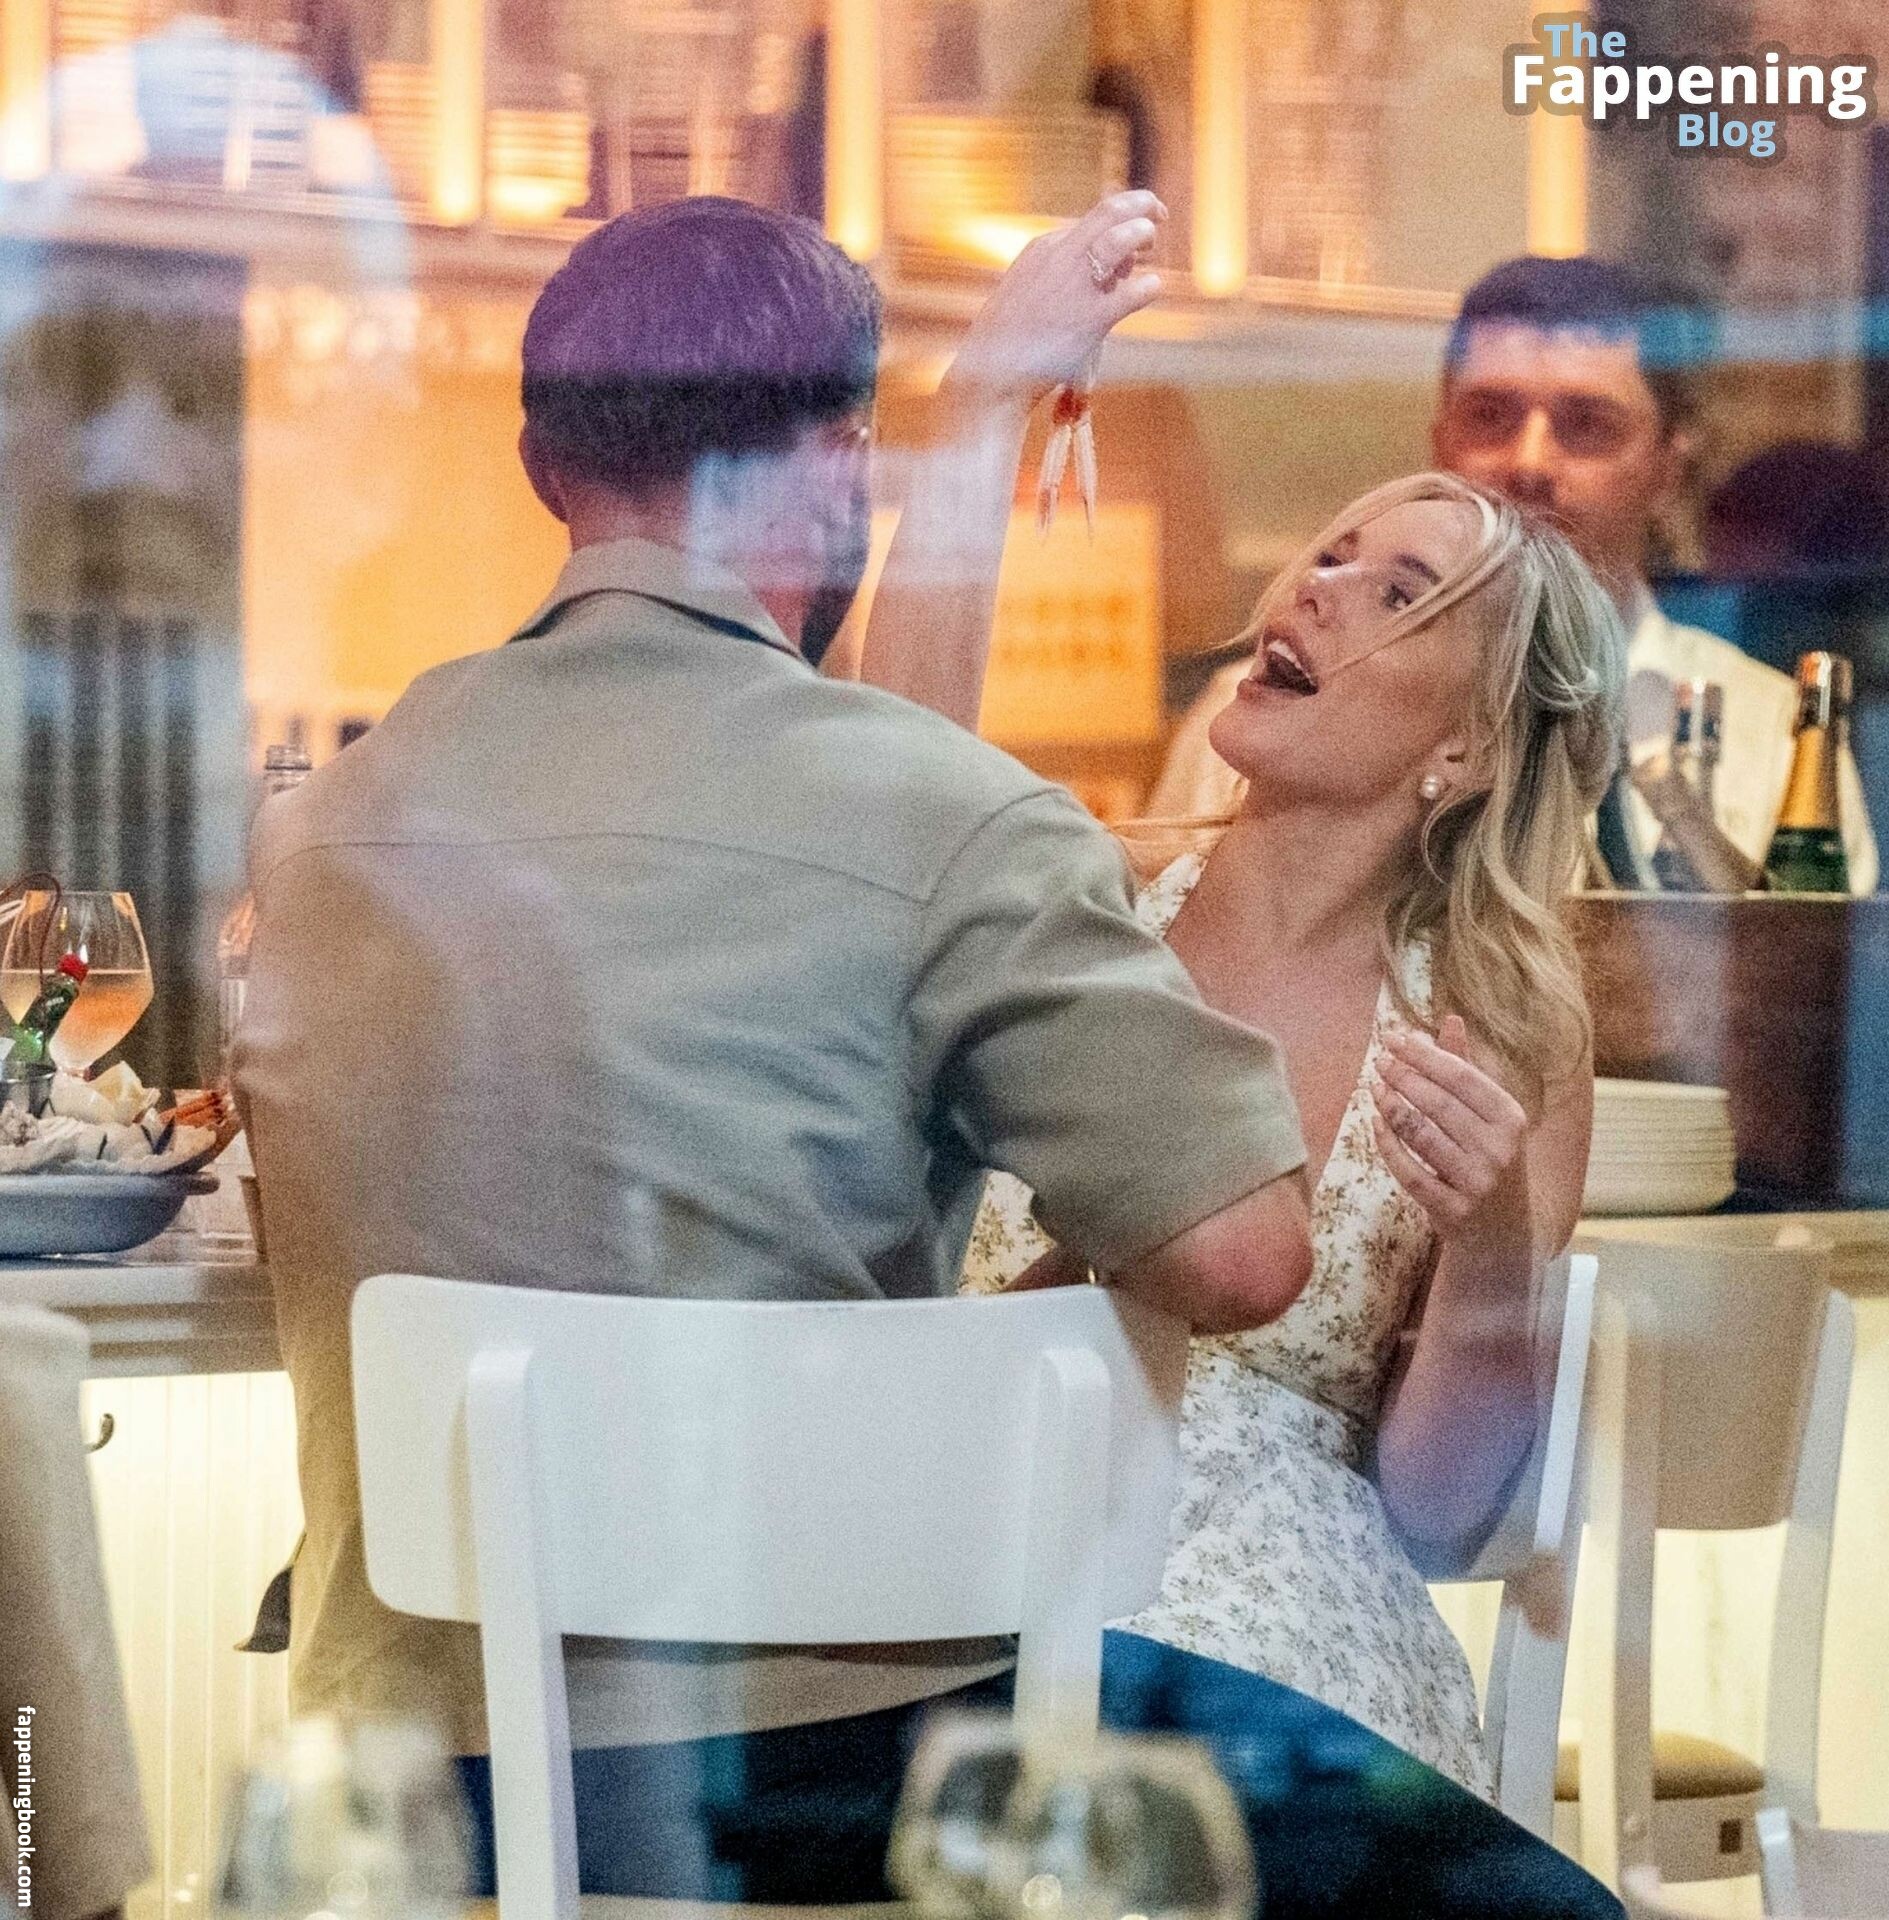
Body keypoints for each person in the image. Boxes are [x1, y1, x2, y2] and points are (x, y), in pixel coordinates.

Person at [236, 190, 1324, 1892]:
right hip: (820, 1779)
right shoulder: (957, 822)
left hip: (411, 1785)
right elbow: (1247, 1252)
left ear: (541, 467)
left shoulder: (315, 838)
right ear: (833, 470)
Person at [863, 457, 1626, 1796]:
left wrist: (1493, 1238)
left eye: (1398, 593)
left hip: (1282, 1603)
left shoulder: (1501, 1026)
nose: (1320, 588)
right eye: (1331, 553)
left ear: (1464, 748)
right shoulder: (1078, 906)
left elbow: (1439, 1515)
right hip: (962, 1518)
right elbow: (891, 772)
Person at [1149, 255, 1879, 894]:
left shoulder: (1770, 734)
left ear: (1668, 467)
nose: (1529, 464)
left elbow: (1810, 995)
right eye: (1490, 416)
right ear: (1440, 442)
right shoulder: (1262, 710)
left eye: (1586, 425)